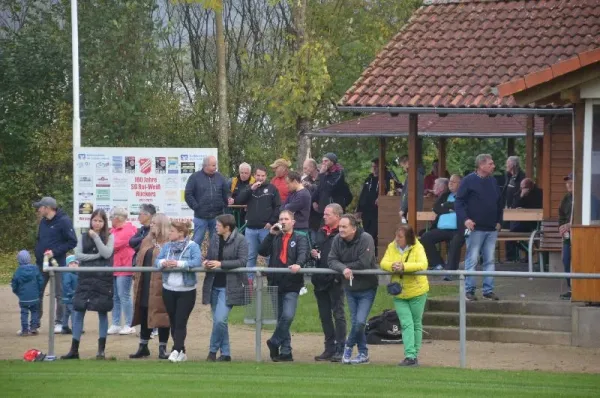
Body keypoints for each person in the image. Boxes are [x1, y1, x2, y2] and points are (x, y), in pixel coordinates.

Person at [62, 209, 115, 360]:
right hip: (85, 278)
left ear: (104, 223)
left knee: (102, 312)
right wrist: (95, 256)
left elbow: (106, 253)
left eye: (100, 221)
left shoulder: (110, 237)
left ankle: (101, 350)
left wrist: (97, 238)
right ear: (90, 221)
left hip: (103, 279)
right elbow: (77, 254)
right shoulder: (83, 236)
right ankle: (74, 350)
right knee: (78, 311)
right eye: (94, 220)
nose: (97, 223)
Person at [328, 214, 378, 365]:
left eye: (344, 227)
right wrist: (343, 269)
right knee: (356, 321)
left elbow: (364, 262)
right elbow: (332, 260)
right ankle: (363, 353)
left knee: (360, 321)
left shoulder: (366, 238)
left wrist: (346, 266)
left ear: (353, 228)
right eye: (340, 227)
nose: (341, 230)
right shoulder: (337, 240)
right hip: (349, 288)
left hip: (367, 287)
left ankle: (348, 346)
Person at [259, 210, 308, 362]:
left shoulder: (300, 238)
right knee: (280, 318)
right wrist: (270, 234)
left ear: (293, 222)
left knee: (287, 315)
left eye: (286, 219)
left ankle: (274, 342)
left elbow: (303, 254)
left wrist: (298, 264)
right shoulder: (275, 237)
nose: (283, 221)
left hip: (292, 284)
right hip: (275, 282)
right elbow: (262, 251)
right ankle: (286, 352)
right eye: (281, 219)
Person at [455, 154, 503, 301]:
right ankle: (469, 290)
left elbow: (499, 202)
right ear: (481, 165)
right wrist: (466, 219)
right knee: (472, 259)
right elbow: (459, 202)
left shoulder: (493, 181)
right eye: (490, 164)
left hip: (491, 228)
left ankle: (488, 290)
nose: (493, 166)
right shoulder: (468, 181)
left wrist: (499, 220)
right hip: (475, 228)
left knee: (489, 260)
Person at [202, 214, 249, 362]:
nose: (215, 227)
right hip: (213, 284)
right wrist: (207, 262)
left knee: (220, 320)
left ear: (227, 227)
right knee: (218, 321)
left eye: (218, 225)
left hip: (230, 286)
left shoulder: (241, 240)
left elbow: (242, 261)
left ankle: (212, 350)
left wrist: (221, 264)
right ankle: (226, 353)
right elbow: (210, 256)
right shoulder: (215, 238)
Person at [380, 224, 429, 366]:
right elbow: (383, 262)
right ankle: (410, 355)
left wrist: (404, 267)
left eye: (400, 237)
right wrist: (393, 266)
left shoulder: (418, 247)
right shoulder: (392, 246)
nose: (396, 239)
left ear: (408, 238)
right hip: (399, 292)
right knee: (406, 324)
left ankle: (414, 354)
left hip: (417, 291)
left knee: (416, 323)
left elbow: (423, 264)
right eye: (396, 236)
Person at [156, 221, 202, 363]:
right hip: (169, 289)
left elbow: (196, 261)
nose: (169, 233)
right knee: (173, 321)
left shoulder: (192, 246)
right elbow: (157, 261)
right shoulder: (167, 246)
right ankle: (181, 351)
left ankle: (176, 350)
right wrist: (163, 263)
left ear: (181, 233)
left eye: (172, 231)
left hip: (186, 290)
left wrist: (179, 264)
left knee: (181, 321)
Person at [130, 213, 172, 360]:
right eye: (151, 223)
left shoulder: (168, 242)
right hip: (145, 281)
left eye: (154, 223)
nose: (151, 225)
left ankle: (162, 348)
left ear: (161, 224)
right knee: (143, 311)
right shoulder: (147, 240)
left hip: (162, 284)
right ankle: (143, 346)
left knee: (161, 314)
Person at [33, 196, 77, 332]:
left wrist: (54, 252)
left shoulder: (64, 221)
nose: (38, 209)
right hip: (41, 264)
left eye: (40, 207)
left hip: (57, 264)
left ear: (47, 208)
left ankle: (59, 322)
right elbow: (40, 240)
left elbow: (72, 242)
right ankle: (34, 323)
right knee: (36, 293)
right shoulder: (43, 222)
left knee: (60, 294)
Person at [310, 204, 347, 362]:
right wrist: (313, 254)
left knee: (338, 314)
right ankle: (329, 347)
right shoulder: (321, 231)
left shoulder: (343, 233)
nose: (324, 216)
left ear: (337, 216)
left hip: (336, 279)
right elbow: (317, 249)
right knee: (324, 315)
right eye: (324, 214)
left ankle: (341, 348)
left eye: (327, 214)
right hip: (320, 278)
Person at [234, 165, 280, 282]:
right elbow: (238, 200)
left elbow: (278, 207)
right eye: (258, 175)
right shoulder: (249, 188)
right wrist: (251, 189)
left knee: (270, 256)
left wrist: (271, 222)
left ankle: (272, 281)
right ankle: (249, 284)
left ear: (266, 176)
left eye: (263, 176)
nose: (260, 178)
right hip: (250, 229)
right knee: (250, 257)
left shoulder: (272, 189)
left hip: (266, 229)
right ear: (254, 176)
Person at [420, 176, 464, 274]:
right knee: (425, 237)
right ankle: (439, 264)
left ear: (460, 184)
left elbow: (461, 206)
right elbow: (436, 208)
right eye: (450, 182)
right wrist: (450, 209)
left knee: (455, 241)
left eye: (454, 182)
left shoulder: (464, 195)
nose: (450, 184)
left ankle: (450, 271)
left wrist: (447, 206)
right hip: (441, 229)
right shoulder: (445, 195)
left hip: (458, 229)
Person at [184, 155, 230, 248]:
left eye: (215, 165)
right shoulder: (195, 177)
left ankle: (213, 260)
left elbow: (226, 193)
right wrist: (196, 207)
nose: (215, 167)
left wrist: (227, 202)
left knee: (216, 242)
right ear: (205, 166)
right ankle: (194, 260)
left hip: (217, 216)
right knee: (197, 241)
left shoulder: (220, 177)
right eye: (213, 165)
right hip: (201, 217)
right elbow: (188, 194)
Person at [107, 207, 138, 335]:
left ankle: (129, 324)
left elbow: (112, 246)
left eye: (111, 218)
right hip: (114, 266)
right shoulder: (112, 230)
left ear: (117, 218)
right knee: (115, 296)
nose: (110, 220)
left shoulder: (128, 230)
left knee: (124, 295)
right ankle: (115, 323)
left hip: (125, 266)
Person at [357, 158, 399, 250]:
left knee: (375, 232)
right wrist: (359, 210)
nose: (374, 169)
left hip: (379, 211)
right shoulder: (369, 179)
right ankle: (369, 252)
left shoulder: (388, 178)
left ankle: (373, 252)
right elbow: (363, 195)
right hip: (366, 211)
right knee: (367, 232)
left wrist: (382, 198)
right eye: (373, 167)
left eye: (376, 167)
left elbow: (394, 189)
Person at [11, 250, 43, 336]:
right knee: (35, 311)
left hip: (23, 297)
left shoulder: (18, 271)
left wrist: (17, 292)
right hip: (35, 295)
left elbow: (14, 284)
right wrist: (39, 291)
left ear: (19, 260)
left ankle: (24, 330)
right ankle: (33, 328)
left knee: (24, 313)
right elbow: (40, 281)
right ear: (29, 258)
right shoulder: (35, 269)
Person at [558, 173, 573, 300]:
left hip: (582, 237)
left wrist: (570, 224)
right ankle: (571, 288)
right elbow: (561, 215)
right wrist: (561, 227)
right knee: (566, 260)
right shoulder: (566, 199)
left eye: (571, 182)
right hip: (568, 237)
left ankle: (580, 288)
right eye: (567, 182)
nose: (568, 184)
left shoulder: (588, 198)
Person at [398, 155, 425, 222]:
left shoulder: (413, 175)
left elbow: (409, 192)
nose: (403, 169)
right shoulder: (418, 174)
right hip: (414, 207)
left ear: (407, 163)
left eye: (403, 166)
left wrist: (403, 209)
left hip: (411, 208)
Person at [302, 158, 322, 239]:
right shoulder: (304, 180)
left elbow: (323, 192)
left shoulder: (323, 177)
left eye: (305, 168)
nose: (304, 170)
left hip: (321, 215)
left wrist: (312, 186)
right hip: (309, 216)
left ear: (313, 167)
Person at [61, 255, 79, 334]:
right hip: (70, 297)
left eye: (75, 263)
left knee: (66, 313)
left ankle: (64, 326)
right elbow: (66, 285)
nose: (74, 264)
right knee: (73, 312)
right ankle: (75, 328)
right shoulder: (68, 274)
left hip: (67, 297)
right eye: (71, 263)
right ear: (67, 265)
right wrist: (71, 293)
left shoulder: (76, 274)